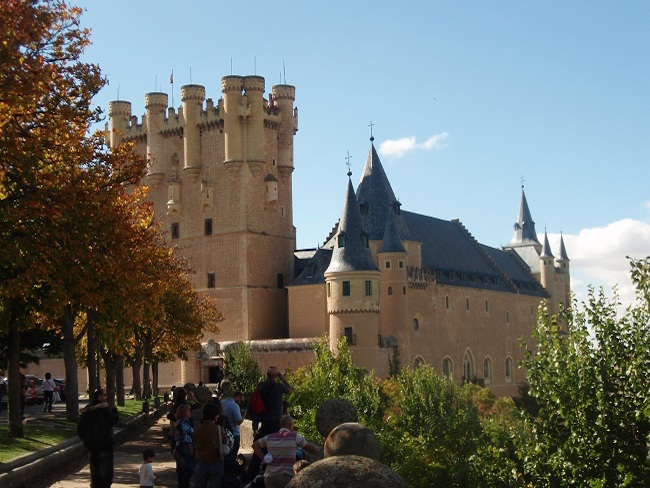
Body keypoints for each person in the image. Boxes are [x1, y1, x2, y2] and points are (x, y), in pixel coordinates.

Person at [252, 415, 319, 488]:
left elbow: (255, 446)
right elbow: (309, 447)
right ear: (290, 425)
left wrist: (264, 458)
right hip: (287, 475)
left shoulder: (270, 437)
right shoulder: (294, 436)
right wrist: (321, 454)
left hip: (270, 477)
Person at [77, 388, 119, 488]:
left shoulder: (87, 410)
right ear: (99, 397)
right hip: (104, 444)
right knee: (106, 470)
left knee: (94, 469)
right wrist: (115, 411)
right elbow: (113, 420)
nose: (106, 397)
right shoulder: (104, 409)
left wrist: (86, 440)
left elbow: (80, 429)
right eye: (104, 395)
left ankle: (95, 485)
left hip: (91, 445)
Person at [194, 402, 228, 488]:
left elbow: (195, 442)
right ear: (214, 415)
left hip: (201, 461)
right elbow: (225, 442)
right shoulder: (219, 429)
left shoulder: (197, 428)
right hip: (216, 461)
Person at [258, 367, 292, 438]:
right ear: (276, 376)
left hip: (264, 418)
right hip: (276, 419)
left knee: (265, 441)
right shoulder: (279, 386)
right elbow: (290, 390)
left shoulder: (261, 386)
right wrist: (282, 378)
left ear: (267, 375)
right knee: (275, 440)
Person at [173, 404, 195, 488]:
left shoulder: (178, 422)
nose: (190, 412)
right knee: (186, 472)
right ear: (184, 412)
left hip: (178, 448)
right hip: (184, 449)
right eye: (188, 411)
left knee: (181, 473)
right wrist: (191, 447)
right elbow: (187, 436)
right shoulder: (184, 423)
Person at [220, 384, 244, 460]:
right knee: (232, 457)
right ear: (237, 397)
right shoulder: (234, 406)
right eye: (241, 400)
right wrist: (244, 415)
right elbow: (238, 422)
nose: (240, 402)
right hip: (234, 434)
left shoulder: (222, 402)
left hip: (223, 432)